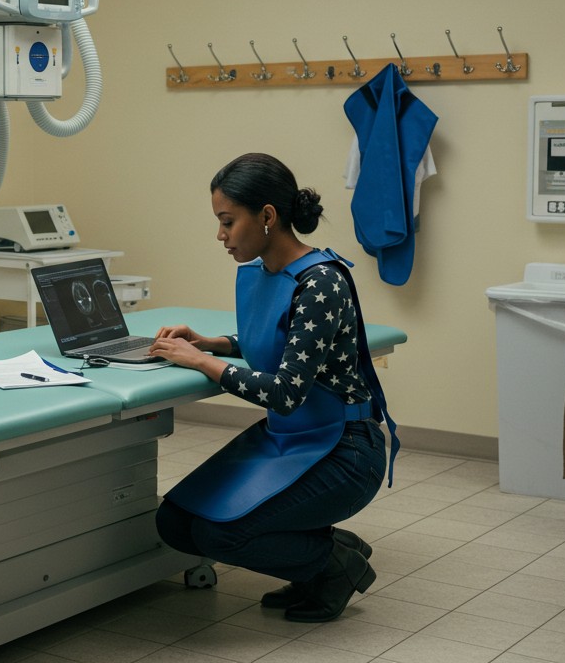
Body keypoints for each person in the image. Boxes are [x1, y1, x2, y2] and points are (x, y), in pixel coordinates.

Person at [147, 152, 397, 623]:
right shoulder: (268, 273)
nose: (220, 235)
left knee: (221, 536)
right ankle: (325, 548)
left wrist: (201, 362)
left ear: (267, 216)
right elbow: (280, 341)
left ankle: (332, 565)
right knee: (176, 523)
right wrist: (213, 344)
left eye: (228, 221)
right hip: (292, 437)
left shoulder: (321, 281)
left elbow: (286, 391)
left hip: (344, 449)